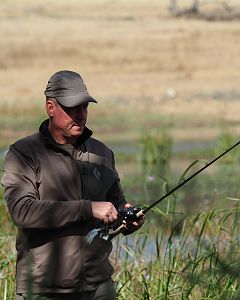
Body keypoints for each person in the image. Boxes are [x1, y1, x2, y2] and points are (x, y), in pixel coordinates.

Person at [1, 70, 144, 300]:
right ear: (50, 108)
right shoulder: (23, 153)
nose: (80, 114)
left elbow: (115, 204)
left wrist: (127, 218)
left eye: (84, 107)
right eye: (72, 108)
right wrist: (88, 208)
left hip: (98, 286)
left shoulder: (102, 153)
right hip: (42, 289)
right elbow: (22, 212)